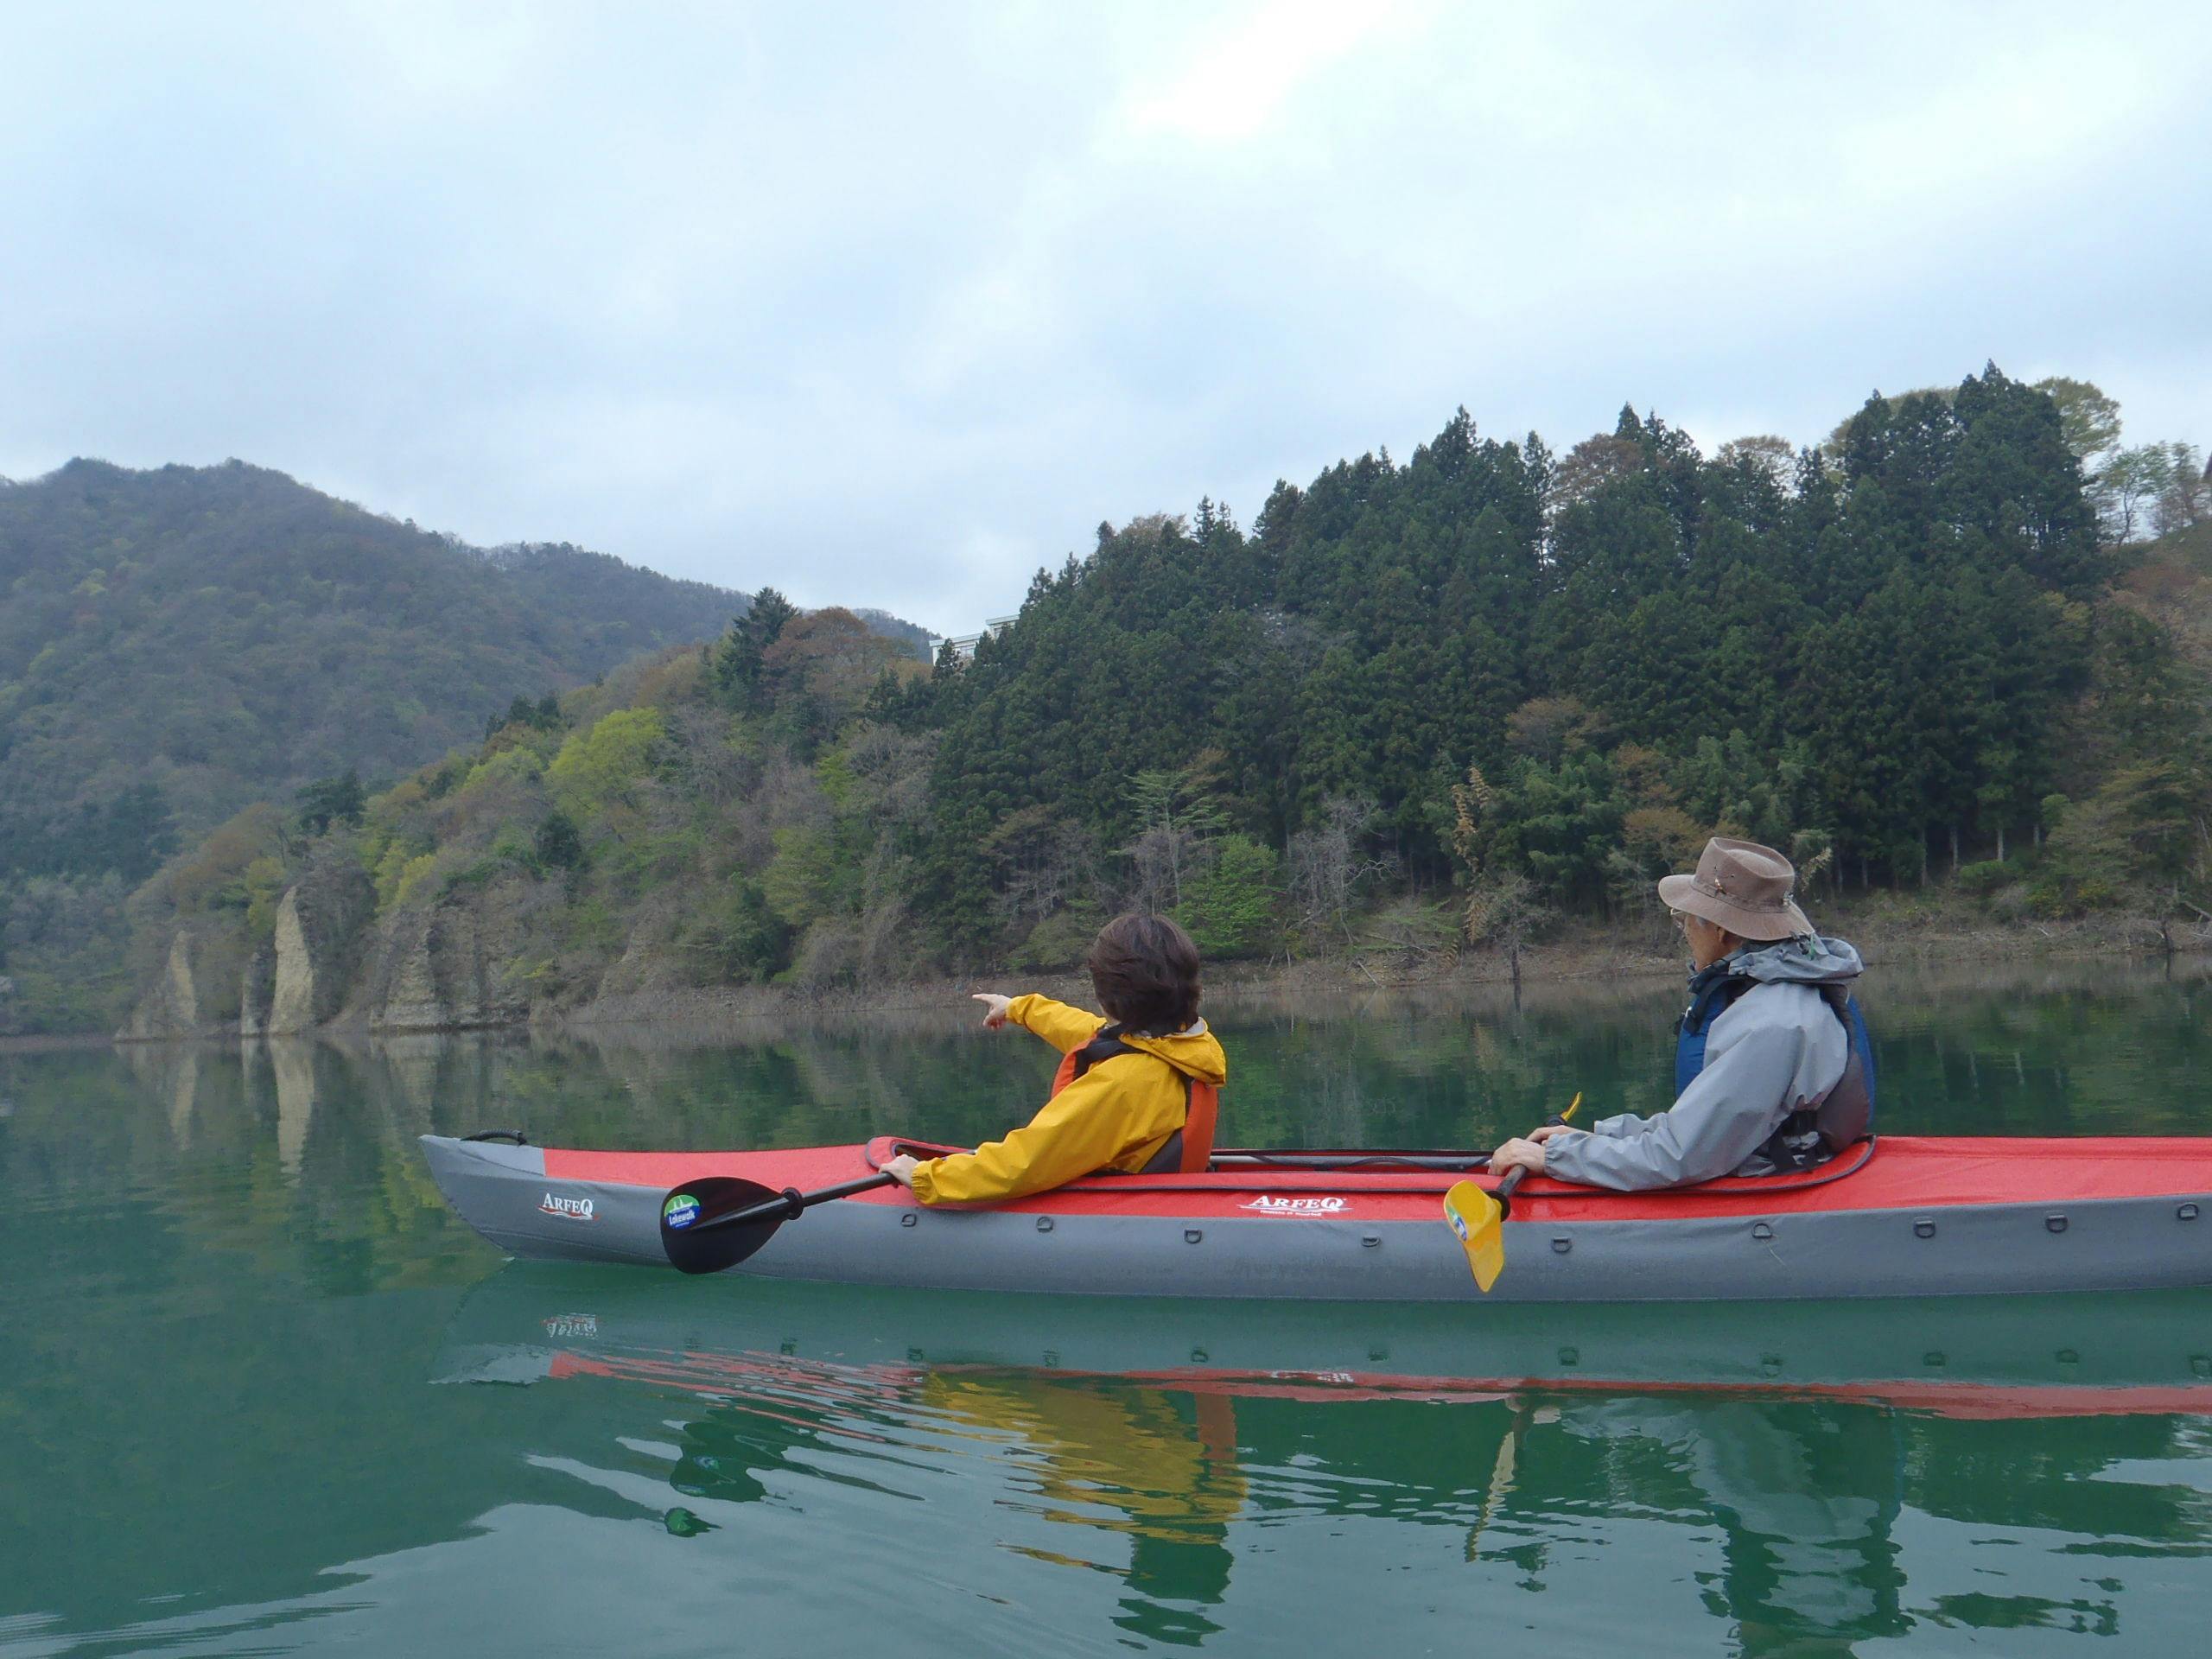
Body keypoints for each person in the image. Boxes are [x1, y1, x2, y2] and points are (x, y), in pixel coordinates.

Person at [1489, 836, 1874, 1192]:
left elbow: (1681, 1156)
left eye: (1684, 917)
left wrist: (1556, 1158)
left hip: (1768, 1180)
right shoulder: (1777, 994)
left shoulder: (1771, 1023)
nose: (1684, 930)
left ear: (1720, 931)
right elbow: (1697, 1129)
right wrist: (1599, 1138)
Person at [881, 912, 1228, 1205]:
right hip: (1167, 1196)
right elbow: (1088, 1030)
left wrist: (926, 1177)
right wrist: (1017, 1008)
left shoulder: (1124, 1083)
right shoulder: (1184, 1044)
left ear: (1106, 996)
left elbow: (1027, 1160)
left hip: (1125, 1209)